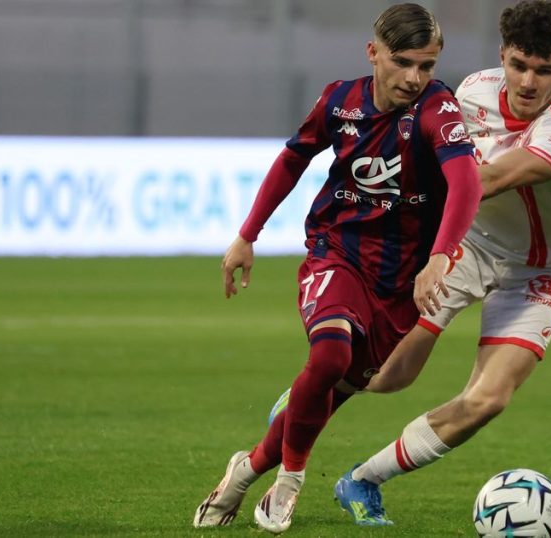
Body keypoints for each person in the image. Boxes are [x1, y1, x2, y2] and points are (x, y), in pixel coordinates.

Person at [191, 3, 481, 534]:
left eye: (427, 65)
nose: (414, 78)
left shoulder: (438, 110)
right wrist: (247, 235)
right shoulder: (339, 101)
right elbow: (293, 158)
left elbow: (467, 183)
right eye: (402, 62)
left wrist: (440, 255)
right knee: (329, 355)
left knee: (333, 391)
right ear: (373, 53)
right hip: (337, 251)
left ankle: (246, 470)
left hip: (399, 282)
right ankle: (290, 481)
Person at [332, 0, 551, 526]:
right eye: (518, 65)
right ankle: (306, 400)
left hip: (539, 270)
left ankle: (363, 479)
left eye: (544, 70)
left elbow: (492, 178)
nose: (528, 81)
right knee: (387, 374)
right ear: (502, 55)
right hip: (469, 245)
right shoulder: (473, 91)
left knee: (488, 399)